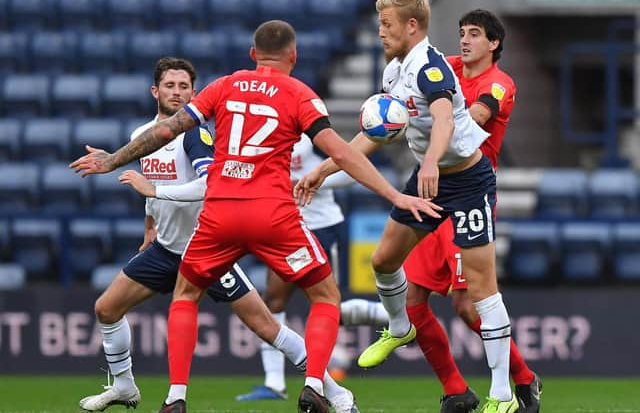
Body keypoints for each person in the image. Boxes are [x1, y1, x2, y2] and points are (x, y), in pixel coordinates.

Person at [71, 20, 440, 413]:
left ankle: (175, 396)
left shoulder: (224, 85)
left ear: (252, 55)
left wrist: (112, 160)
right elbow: (344, 154)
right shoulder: (301, 94)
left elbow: (166, 132)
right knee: (326, 296)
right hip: (273, 216)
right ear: (293, 57)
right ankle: (315, 384)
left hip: (220, 216)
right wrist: (394, 194)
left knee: (185, 295)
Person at [77, 57, 359, 413]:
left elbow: (207, 183)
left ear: (195, 93)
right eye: (170, 86)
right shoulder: (140, 138)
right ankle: (123, 386)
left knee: (265, 326)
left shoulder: (195, 134)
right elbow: (158, 181)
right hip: (166, 248)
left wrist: (154, 193)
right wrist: (151, 224)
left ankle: (332, 392)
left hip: (208, 244)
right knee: (107, 308)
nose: (177, 93)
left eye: (184, 87)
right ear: (155, 91)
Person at [295, 0, 518, 412]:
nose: (381, 33)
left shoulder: (430, 68)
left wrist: (431, 161)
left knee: (482, 293)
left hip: (467, 180)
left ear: (411, 26)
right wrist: (325, 169)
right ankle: (400, 327)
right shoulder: (395, 70)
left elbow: (445, 118)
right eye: (379, 25)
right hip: (427, 178)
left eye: (387, 26)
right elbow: (378, 133)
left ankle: (503, 396)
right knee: (383, 260)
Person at [339, 9, 543, 413]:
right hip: (431, 188)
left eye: (474, 35)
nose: (464, 40)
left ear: (494, 44)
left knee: (468, 304)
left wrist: (440, 108)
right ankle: (456, 391)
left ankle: (521, 379)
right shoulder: (441, 67)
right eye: (462, 32)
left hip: (469, 188)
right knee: (413, 298)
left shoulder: (500, 83)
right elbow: (417, 88)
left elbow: (477, 115)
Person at [237, 135, 353, 401]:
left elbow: (350, 169)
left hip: (322, 226)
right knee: (275, 300)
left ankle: (393, 322)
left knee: (328, 300)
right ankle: (275, 383)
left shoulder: (312, 134)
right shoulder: (259, 135)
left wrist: (305, 182)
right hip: (286, 228)